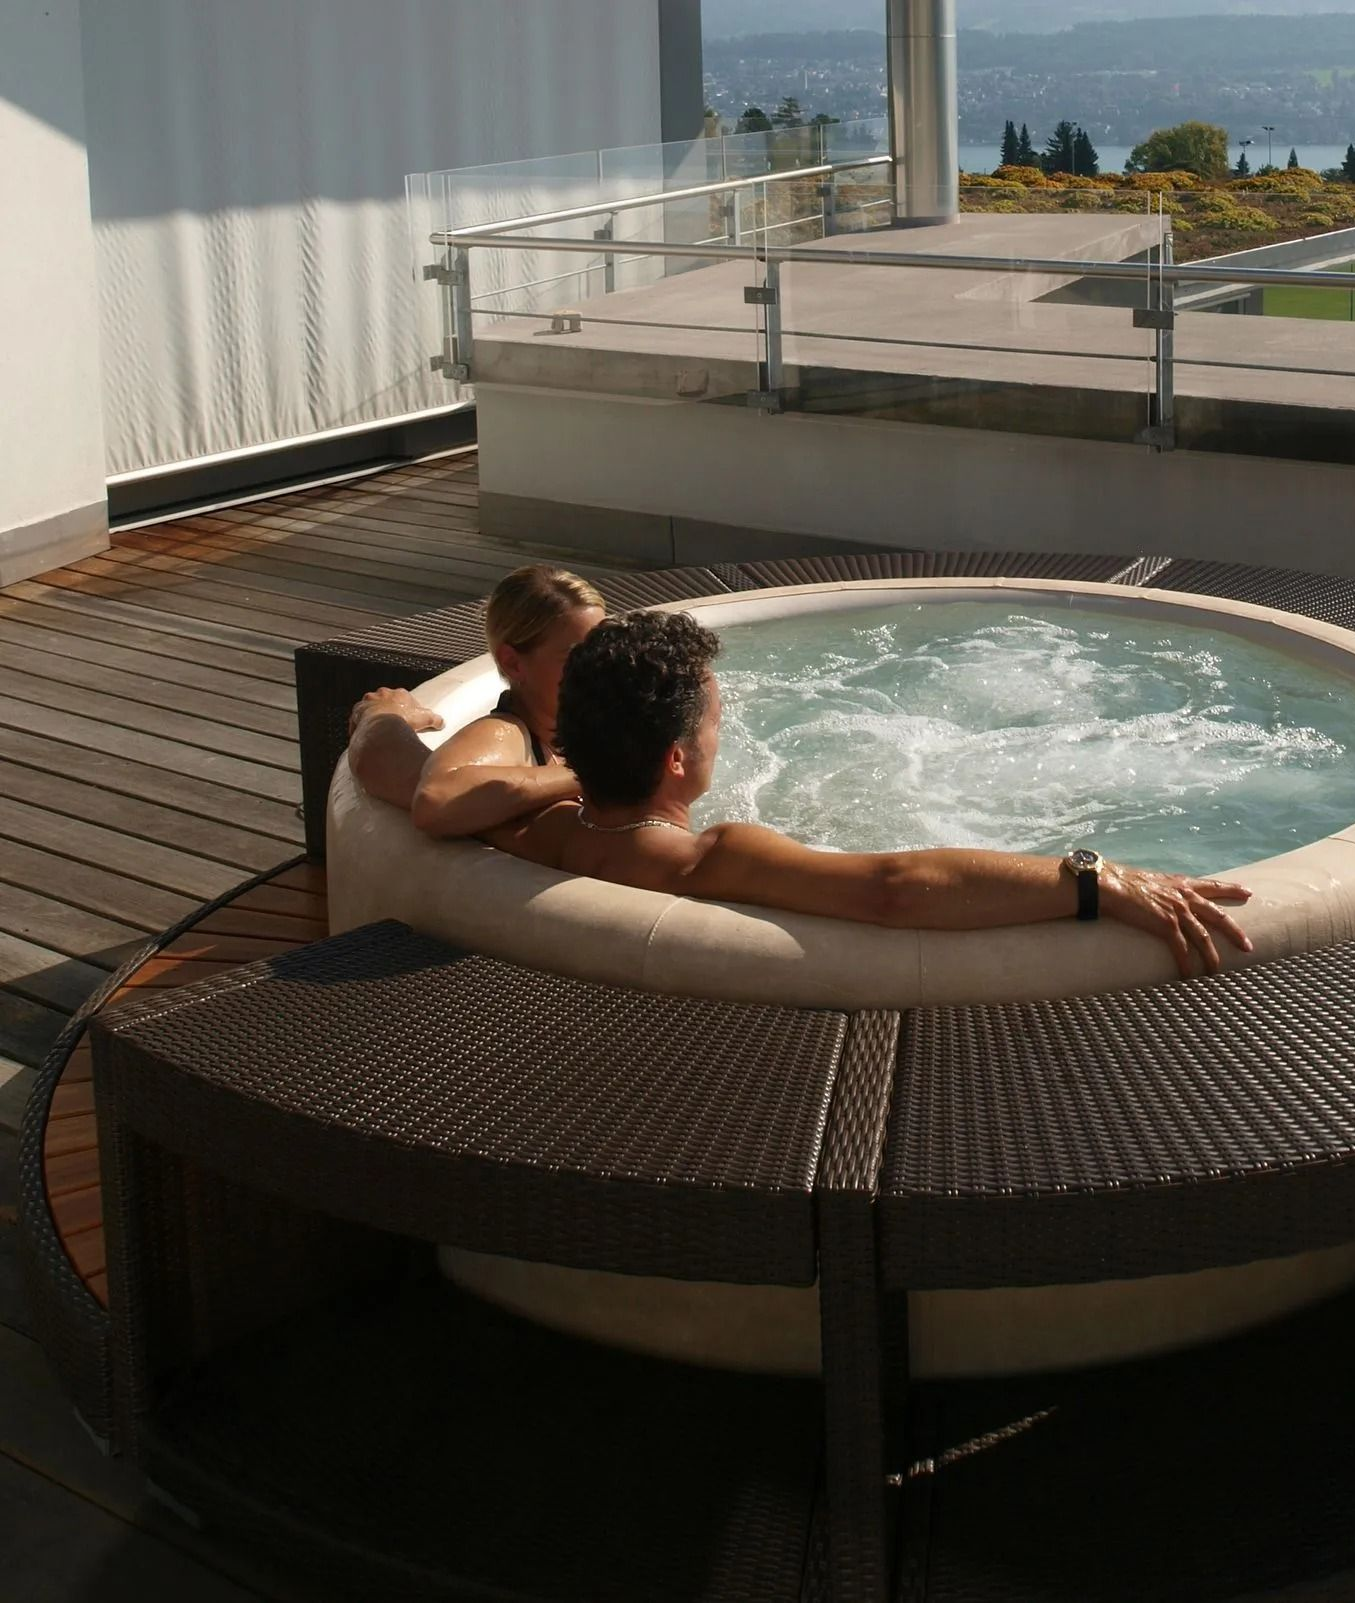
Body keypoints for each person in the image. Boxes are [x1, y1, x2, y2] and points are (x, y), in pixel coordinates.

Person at [473, 610, 1254, 977]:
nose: (723, 730)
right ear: (676, 759)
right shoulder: (705, 858)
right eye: (715, 722)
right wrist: (1091, 876)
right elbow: (894, 888)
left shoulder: (542, 833)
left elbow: (434, 794)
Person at [347, 565, 605, 836]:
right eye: (578, 655)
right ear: (513, 663)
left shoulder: (596, 720)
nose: (602, 664)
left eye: (605, 646)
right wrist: (601, 775)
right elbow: (436, 797)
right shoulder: (506, 734)